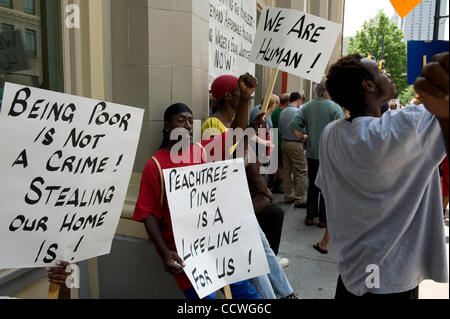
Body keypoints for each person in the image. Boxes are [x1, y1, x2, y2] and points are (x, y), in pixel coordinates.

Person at [317, 52, 449, 299]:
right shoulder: (405, 127)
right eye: (379, 72)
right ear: (368, 85)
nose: (386, 73)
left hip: (353, 272)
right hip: (392, 278)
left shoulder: (330, 135)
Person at [133, 74, 262, 300]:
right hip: (186, 255)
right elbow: (147, 215)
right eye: (181, 120)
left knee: (247, 294)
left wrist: (244, 99)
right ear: (167, 125)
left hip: (217, 245)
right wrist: (164, 253)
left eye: (191, 121)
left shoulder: (202, 151)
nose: (188, 125)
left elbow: (236, 136)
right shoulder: (154, 165)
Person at [204, 75, 295, 277]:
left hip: (244, 188)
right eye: (242, 93)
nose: (249, 99)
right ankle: (264, 263)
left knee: (271, 214)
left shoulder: (233, 121)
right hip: (230, 195)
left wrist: (251, 131)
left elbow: (239, 144)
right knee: (272, 215)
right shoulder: (212, 124)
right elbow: (227, 159)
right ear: (228, 96)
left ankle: (265, 261)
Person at [289, 79, 345, 259]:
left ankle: (309, 216)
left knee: (312, 185)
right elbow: (342, 129)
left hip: (312, 152)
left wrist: (303, 137)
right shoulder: (335, 108)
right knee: (326, 189)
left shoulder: (307, 107)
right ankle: (323, 219)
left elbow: (294, 125)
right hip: (328, 154)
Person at [278, 92, 308, 208]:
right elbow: (303, 130)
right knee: (301, 170)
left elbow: (280, 129)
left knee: (287, 170)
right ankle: (300, 199)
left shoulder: (283, 112)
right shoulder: (298, 112)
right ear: (299, 101)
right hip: (295, 143)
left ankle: (288, 195)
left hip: (284, 143)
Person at [270, 93, 291, 194]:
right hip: (279, 140)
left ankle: (275, 184)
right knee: (281, 165)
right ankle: (277, 186)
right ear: (288, 102)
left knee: (276, 163)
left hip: (273, 139)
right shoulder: (283, 113)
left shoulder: (274, 112)